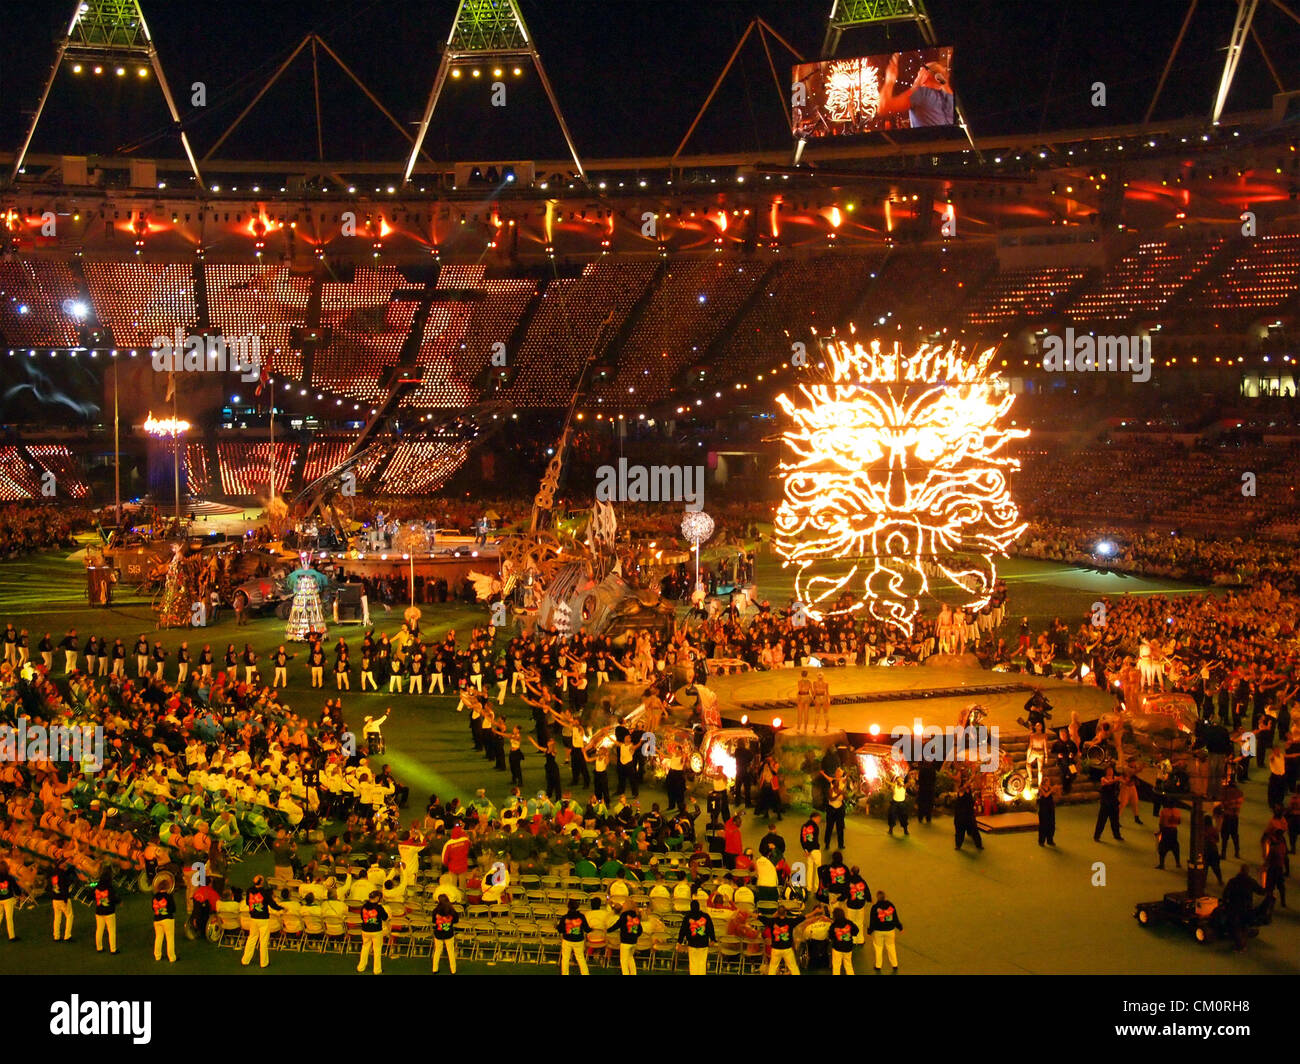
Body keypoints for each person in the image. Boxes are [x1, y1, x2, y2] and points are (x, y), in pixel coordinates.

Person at [1220, 864, 1265, 952]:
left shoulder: (1232, 881)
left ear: (1240, 870)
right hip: (1247, 908)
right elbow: (1261, 892)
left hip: (1234, 908)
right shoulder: (1251, 881)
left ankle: (1240, 946)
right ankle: (1245, 937)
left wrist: (1225, 905)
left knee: (1236, 927)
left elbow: (1225, 895)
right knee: (1244, 924)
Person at [240, 874, 282, 968]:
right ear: (262, 882)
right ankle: (264, 963)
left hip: (253, 918)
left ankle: (245, 960)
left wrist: (255, 905)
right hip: (263, 919)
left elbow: (248, 902)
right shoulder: (265, 893)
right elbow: (272, 905)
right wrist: (281, 908)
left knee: (251, 939)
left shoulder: (250, 890)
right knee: (263, 941)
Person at [868, 889, 903, 973]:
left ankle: (878, 965)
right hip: (890, 930)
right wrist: (900, 927)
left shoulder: (875, 907)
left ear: (877, 897)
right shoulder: (890, 905)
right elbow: (895, 917)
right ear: (885, 897)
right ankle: (894, 964)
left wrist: (869, 931)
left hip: (878, 931)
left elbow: (872, 921)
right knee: (891, 946)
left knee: (878, 948)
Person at [678, 899, 717, 974]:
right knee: (702, 963)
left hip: (692, 943)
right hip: (703, 943)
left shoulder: (687, 917)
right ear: (699, 907)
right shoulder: (706, 916)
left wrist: (679, 942)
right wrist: (713, 939)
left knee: (693, 963)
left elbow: (683, 930)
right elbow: (710, 928)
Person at [357, 890, 389, 974]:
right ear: (378, 898)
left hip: (365, 930)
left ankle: (361, 967)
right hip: (376, 931)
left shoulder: (364, 906)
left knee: (365, 947)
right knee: (377, 949)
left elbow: (362, 917)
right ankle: (377, 970)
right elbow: (385, 918)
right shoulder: (379, 908)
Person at [556, 898, 591, 975]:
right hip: (579, 941)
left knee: (565, 959)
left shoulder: (565, 917)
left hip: (567, 940)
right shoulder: (581, 916)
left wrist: (557, 927)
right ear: (577, 907)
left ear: (568, 907)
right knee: (581, 958)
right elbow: (587, 929)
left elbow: (560, 930)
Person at [765, 905, 802, 974]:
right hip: (787, 949)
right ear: (785, 913)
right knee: (793, 967)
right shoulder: (790, 921)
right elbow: (804, 917)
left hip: (775, 949)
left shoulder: (772, 922)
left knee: (772, 967)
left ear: (778, 913)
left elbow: (761, 917)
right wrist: (815, 912)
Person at [611, 900, 644, 975]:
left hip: (625, 942)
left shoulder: (624, 915)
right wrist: (635, 936)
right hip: (633, 942)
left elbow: (617, 925)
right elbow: (640, 930)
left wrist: (608, 930)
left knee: (623, 961)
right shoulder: (636, 916)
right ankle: (633, 973)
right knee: (630, 958)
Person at [1093, 767, 1124, 843]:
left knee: (1115, 820)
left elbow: (1124, 781)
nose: (1110, 772)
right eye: (1109, 770)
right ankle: (1097, 836)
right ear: (1106, 772)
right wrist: (1116, 780)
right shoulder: (1103, 778)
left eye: (1111, 770)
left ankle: (1117, 835)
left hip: (1113, 801)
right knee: (1102, 820)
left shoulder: (1115, 778)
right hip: (1105, 802)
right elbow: (1107, 783)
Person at [432, 895, 459, 974]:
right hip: (448, 932)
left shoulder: (435, 911)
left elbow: (434, 921)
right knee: (450, 951)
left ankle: (435, 969)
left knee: (437, 951)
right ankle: (453, 970)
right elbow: (456, 920)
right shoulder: (452, 911)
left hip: (438, 932)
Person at [151, 881, 177, 963]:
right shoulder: (168, 896)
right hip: (167, 919)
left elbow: (153, 908)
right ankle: (172, 957)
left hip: (157, 919)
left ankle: (157, 956)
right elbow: (173, 909)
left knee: (158, 937)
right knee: (170, 939)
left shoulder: (154, 897)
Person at [92, 872, 118, 953]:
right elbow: (113, 899)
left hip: (99, 911)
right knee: (111, 931)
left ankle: (99, 947)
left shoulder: (97, 887)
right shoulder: (110, 888)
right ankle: (113, 949)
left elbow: (90, 896)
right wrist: (119, 901)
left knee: (99, 930)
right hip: (109, 912)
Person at [49, 862, 74, 942]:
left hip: (55, 898)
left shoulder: (54, 873)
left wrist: (72, 867)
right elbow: (64, 886)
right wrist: (65, 899)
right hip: (62, 898)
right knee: (69, 916)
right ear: (60, 864)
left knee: (57, 917)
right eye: (63, 863)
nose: (65, 864)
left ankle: (56, 936)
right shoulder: (62, 874)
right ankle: (67, 935)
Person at [953, 783, 983, 851]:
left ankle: (979, 845)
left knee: (974, 830)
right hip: (960, 816)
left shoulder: (969, 792)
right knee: (960, 831)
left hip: (969, 815)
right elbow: (962, 788)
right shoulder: (961, 792)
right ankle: (958, 845)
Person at [828, 907, 858, 975]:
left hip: (837, 948)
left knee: (836, 966)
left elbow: (831, 936)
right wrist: (851, 933)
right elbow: (856, 931)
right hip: (848, 948)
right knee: (848, 965)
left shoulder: (833, 925)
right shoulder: (849, 923)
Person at [1155, 804, 1182, 870]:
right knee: (1175, 847)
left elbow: (1161, 823)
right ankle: (1178, 863)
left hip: (1166, 830)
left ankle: (1162, 864)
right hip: (1174, 831)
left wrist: (1160, 831)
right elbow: (1179, 822)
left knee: (1162, 847)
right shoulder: (1177, 811)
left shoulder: (1164, 811)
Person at [0, 861, 19, 941]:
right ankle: (11, 936)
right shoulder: (9, 877)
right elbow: (15, 888)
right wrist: (19, 894)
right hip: (8, 899)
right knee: (9, 918)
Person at [887, 771, 910, 837]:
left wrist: (910, 778)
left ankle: (905, 830)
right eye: (899, 779)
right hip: (895, 803)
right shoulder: (895, 786)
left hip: (902, 804)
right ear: (897, 781)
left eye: (902, 779)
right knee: (892, 815)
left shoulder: (904, 786)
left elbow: (910, 783)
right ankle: (890, 830)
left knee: (904, 816)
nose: (901, 780)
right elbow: (890, 784)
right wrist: (886, 780)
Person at [1037, 778, 1056, 847]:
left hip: (1050, 808)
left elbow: (1053, 794)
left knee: (1051, 824)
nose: (1048, 783)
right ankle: (1041, 841)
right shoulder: (1041, 788)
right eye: (1047, 781)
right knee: (1043, 825)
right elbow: (1045, 795)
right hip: (1043, 809)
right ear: (1044, 782)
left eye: (1049, 781)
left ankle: (1050, 840)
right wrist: (1051, 790)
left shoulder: (1049, 788)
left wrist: (1055, 790)